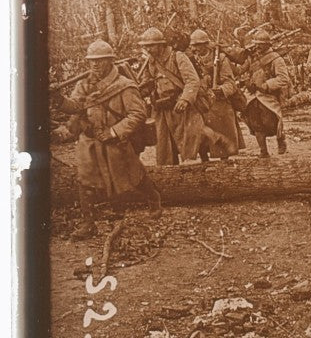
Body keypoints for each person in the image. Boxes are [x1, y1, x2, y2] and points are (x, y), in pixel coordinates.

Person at [58, 40, 153, 212]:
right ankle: (88, 222)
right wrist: (59, 100)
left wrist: (114, 131)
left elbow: (138, 114)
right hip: (90, 139)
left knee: (133, 176)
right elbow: (76, 106)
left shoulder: (125, 85)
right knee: (85, 179)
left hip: (116, 141)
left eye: (100, 60)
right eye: (92, 60)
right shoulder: (84, 85)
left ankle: (153, 198)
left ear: (110, 61)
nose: (94, 64)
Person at [134, 27, 213, 166]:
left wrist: (185, 99)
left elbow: (192, 80)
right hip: (162, 109)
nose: (148, 49)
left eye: (151, 46)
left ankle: (201, 167)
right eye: (146, 47)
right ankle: (171, 173)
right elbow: (148, 83)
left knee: (191, 142)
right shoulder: (150, 62)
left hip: (181, 107)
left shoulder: (178, 57)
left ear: (160, 45)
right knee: (165, 146)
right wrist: (138, 90)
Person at [186, 29, 242, 161]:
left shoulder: (221, 59)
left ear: (205, 44)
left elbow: (231, 84)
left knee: (223, 134)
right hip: (202, 103)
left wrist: (220, 90)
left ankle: (224, 163)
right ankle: (204, 161)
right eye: (193, 45)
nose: (194, 48)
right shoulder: (192, 60)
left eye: (197, 45)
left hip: (219, 103)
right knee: (200, 135)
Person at [239, 28, 291, 157]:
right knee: (255, 123)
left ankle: (280, 139)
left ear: (268, 44)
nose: (257, 47)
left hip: (269, 96)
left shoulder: (276, 59)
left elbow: (283, 78)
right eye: (256, 44)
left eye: (260, 44)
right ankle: (263, 151)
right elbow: (239, 71)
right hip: (253, 95)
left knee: (271, 123)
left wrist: (266, 85)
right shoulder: (252, 58)